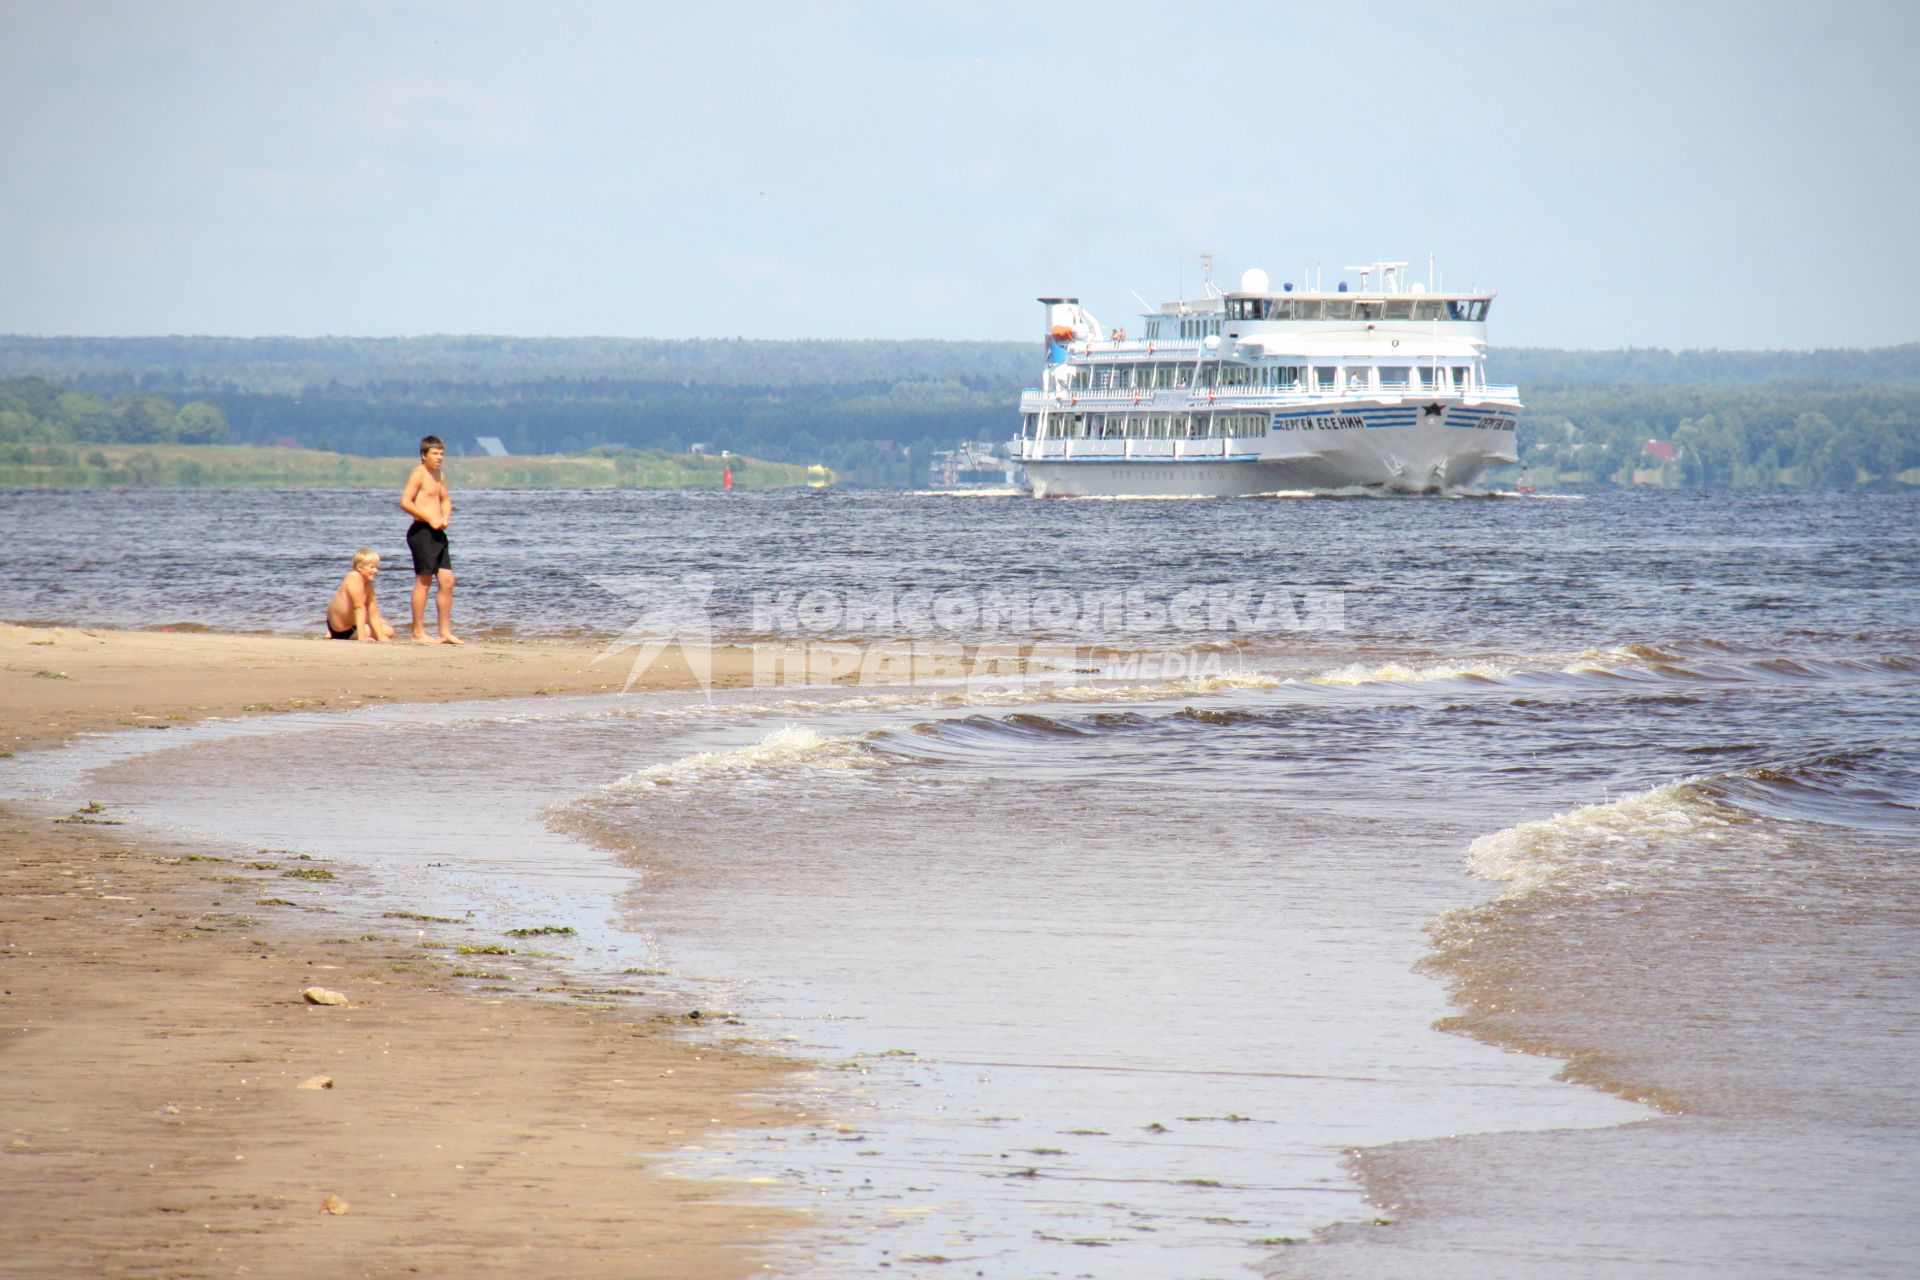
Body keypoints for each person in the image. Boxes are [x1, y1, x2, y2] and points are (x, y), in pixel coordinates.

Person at [400, 434, 462, 644]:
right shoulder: (418, 474)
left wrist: (445, 517)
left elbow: (445, 499)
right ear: (424, 454)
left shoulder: (439, 474)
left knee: (447, 581)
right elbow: (405, 502)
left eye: (442, 454)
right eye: (435, 453)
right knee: (424, 581)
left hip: (437, 532)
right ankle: (418, 632)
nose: (439, 458)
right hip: (421, 531)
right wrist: (429, 518)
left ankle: (444, 632)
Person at [325, 548, 395, 642]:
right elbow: (358, 607)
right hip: (342, 629)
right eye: (372, 567)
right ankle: (344, 635)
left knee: (384, 624)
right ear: (359, 567)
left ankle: (335, 634)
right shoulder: (354, 577)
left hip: (351, 624)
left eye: (377, 567)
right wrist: (362, 637)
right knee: (388, 631)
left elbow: (373, 612)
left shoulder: (368, 583)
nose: (376, 571)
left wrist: (381, 637)